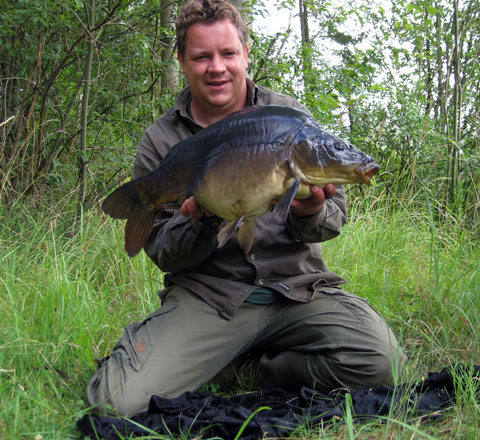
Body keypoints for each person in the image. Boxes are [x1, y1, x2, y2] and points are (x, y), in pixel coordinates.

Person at [87, 0, 406, 417]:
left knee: (383, 364)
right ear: (182, 61)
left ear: (245, 54)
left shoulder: (291, 119)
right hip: (210, 297)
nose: (216, 67)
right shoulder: (162, 141)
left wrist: (308, 211)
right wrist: (199, 220)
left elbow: (333, 222)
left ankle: (249, 372)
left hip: (295, 291)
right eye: (202, 56)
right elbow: (162, 251)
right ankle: (211, 355)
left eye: (228, 53)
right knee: (115, 403)